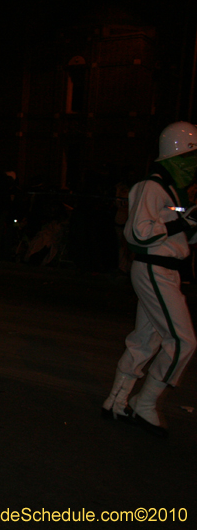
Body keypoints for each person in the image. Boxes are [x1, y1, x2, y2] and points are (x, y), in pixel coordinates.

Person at [101, 121, 197, 438]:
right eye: (190, 158)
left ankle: (116, 401)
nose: (193, 166)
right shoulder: (150, 187)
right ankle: (145, 405)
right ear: (176, 157)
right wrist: (181, 224)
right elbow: (139, 234)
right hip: (155, 269)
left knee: (146, 340)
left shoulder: (169, 190)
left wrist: (188, 224)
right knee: (182, 342)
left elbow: (180, 236)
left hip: (164, 269)